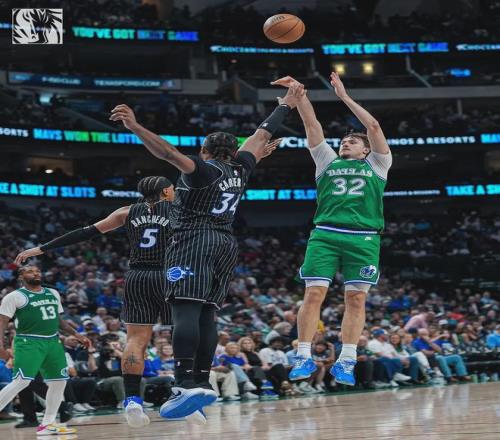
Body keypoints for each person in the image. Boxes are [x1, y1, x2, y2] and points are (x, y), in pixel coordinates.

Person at [109, 83, 304, 420]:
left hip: (194, 241)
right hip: (225, 243)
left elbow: (168, 153)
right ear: (234, 150)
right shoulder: (242, 167)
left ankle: (184, 382)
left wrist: (136, 127)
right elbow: (262, 134)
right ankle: (200, 381)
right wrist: (287, 104)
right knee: (207, 314)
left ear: (204, 150)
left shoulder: (203, 169)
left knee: (185, 309)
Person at [15, 176, 175, 428]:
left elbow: (84, 233)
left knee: (135, 340)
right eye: (173, 189)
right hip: (170, 275)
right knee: (184, 330)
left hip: (137, 277)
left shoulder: (125, 212)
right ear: (166, 191)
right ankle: (187, 390)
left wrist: (42, 248)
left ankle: (132, 400)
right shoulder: (179, 211)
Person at [272, 72, 392, 386]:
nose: (345, 142)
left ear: (365, 150)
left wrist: (344, 97)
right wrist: (300, 97)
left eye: (352, 141)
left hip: (363, 238)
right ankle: (302, 355)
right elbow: (312, 125)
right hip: (325, 234)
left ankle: (347, 359)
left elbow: (373, 126)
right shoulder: (326, 160)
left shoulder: (378, 164)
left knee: (356, 300)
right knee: (313, 294)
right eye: (343, 141)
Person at [0, 266, 90, 435]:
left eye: (38, 271)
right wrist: (1, 346)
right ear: (21, 277)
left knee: (59, 382)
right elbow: (2, 322)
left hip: (53, 341)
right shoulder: (14, 297)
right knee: (21, 382)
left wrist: (78, 335)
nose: (36, 273)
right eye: (30, 271)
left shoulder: (53, 293)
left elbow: (59, 321)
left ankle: (48, 424)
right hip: (29, 341)